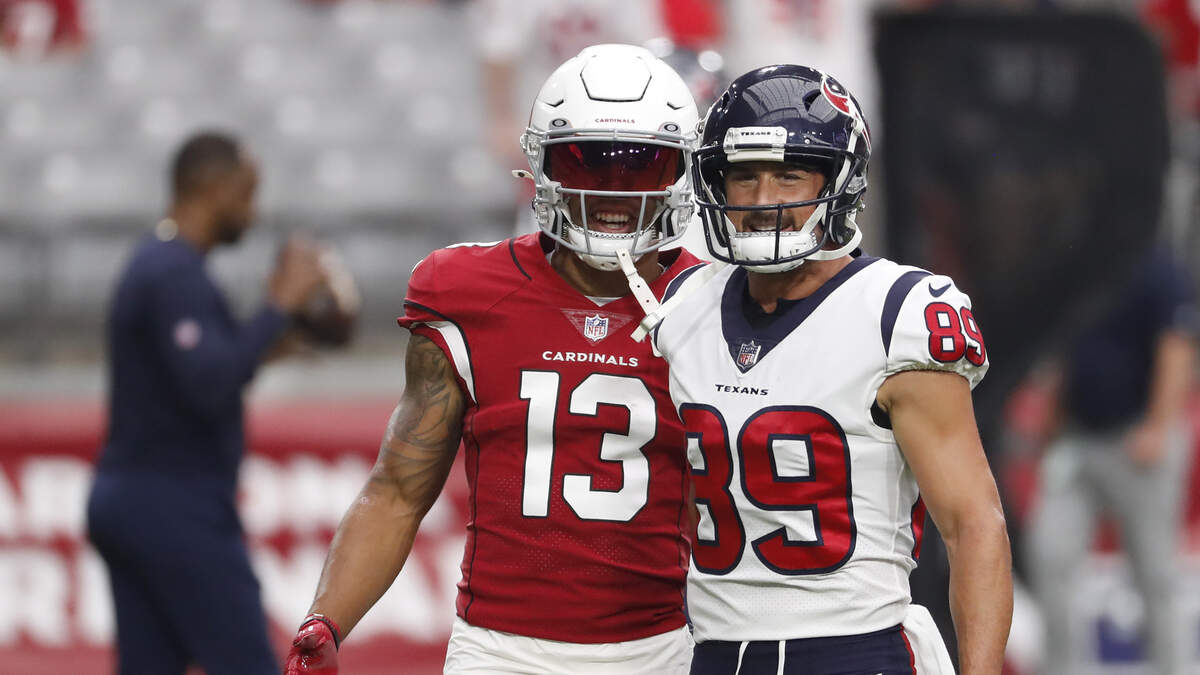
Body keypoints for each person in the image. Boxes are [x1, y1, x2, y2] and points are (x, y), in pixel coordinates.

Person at [284, 44, 703, 674]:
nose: (613, 188)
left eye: (643, 163)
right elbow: (398, 489)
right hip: (500, 650)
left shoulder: (710, 303)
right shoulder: (466, 292)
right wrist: (325, 620)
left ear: (681, 170)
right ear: (542, 165)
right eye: (587, 161)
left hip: (661, 647)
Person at [649, 65, 1013, 674]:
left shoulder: (896, 313)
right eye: (744, 176)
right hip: (712, 651)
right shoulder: (684, 307)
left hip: (853, 647)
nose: (762, 200)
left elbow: (973, 524)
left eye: (789, 175)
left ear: (839, 182)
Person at [86, 131, 330, 675]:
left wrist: (266, 344)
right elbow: (208, 382)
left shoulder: (162, 263)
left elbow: (194, 370)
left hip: (132, 499)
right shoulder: (172, 272)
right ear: (213, 189)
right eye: (246, 193)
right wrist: (277, 306)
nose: (253, 211)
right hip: (173, 505)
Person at [1025, 246, 1197, 675]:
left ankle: (1173, 668)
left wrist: (1159, 425)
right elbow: (1065, 347)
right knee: (1051, 555)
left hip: (1136, 441)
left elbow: (1176, 346)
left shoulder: (1155, 266)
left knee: (1154, 572)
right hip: (1078, 440)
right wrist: (1052, 418)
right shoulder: (1080, 266)